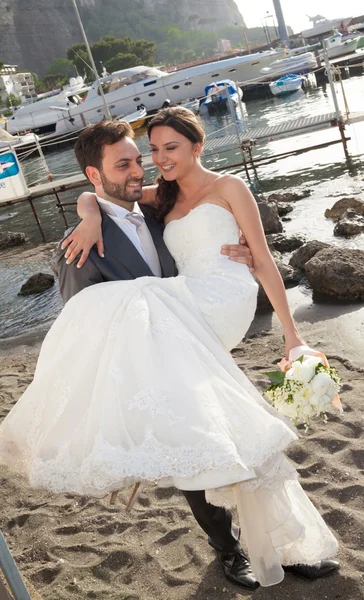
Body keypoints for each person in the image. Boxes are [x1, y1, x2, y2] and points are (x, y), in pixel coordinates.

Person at [0, 109, 339, 590]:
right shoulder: (78, 244)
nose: (142, 169)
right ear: (94, 174)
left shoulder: (159, 209)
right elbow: (86, 321)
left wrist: (245, 263)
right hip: (153, 362)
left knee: (239, 440)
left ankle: (285, 544)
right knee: (205, 452)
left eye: (142, 159)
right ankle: (230, 550)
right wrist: (90, 210)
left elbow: (207, 246)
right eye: (125, 164)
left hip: (200, 327)